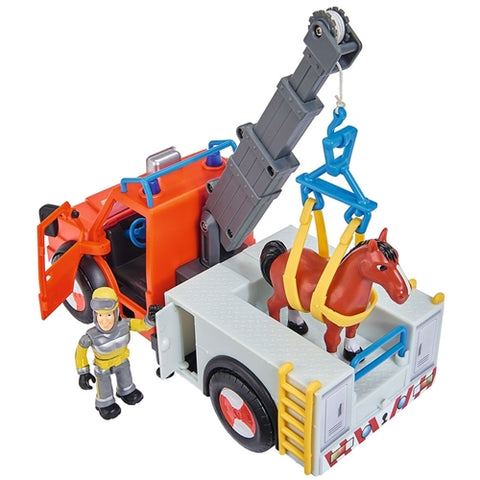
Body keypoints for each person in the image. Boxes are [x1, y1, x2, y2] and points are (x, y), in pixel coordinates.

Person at [75, 286, 156, 419]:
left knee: (126, 379)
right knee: (104, 386)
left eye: (108, 314)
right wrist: (83, 372)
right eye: (100, 315)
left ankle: (126, 391)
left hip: (122, 361)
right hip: (103, 367)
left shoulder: (125, 325)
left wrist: (150, 319)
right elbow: (80, 352)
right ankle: (105, 403)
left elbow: (142, 325)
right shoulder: (90, 337)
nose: (104, 320)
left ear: (116, 312)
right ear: (95, 315)